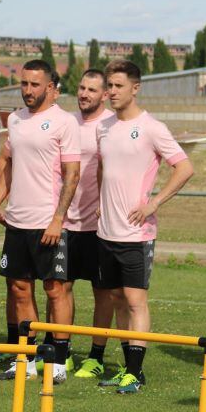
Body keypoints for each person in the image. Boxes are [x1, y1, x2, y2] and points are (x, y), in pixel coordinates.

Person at [94, 59, 194, 393]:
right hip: (105, 231)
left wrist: (153, 203)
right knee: (118, 299)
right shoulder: (103, 127)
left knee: (136, 301)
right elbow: (103, 172)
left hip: (136, 234)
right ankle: (128, 368)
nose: (111, 92)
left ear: (135, 88)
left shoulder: (152, 127)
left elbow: (184, 168)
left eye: (118, 86)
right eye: (109, 85)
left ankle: (136, 373)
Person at [0, 60, 81, 384]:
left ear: (49, 87)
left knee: (55, 290)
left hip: (49, 221)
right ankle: (25, 360)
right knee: (19, 290)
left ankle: (57, 360)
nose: (28, 90)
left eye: (34, 85)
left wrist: (58, 219)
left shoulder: (64, 122)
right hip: (18, 221)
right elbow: (8, 159)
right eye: (24, 84)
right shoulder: (15, 120)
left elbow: (72, 174)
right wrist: (0, 195)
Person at [66, 69, 124, 381]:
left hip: (98, 224)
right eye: (82, 87)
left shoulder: (109, 127)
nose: (84, 94)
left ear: (104, 95)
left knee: (103, 293)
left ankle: (96, 356)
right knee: (59, 288)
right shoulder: (67, 122)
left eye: (92, 90)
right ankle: (62, 351)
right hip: (65, 221)